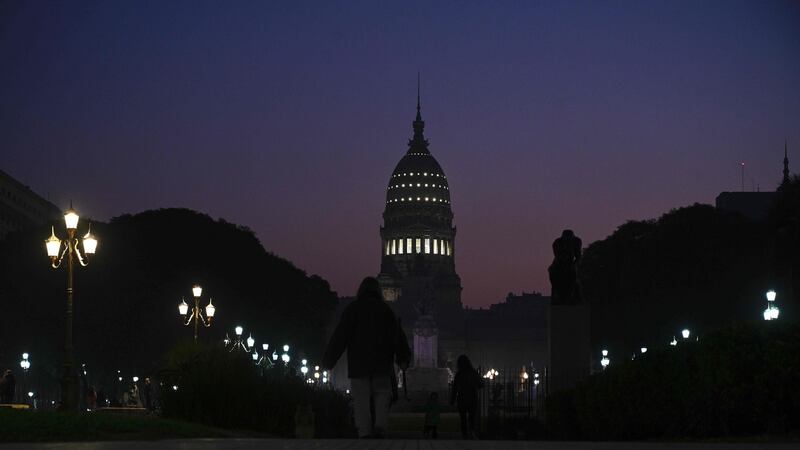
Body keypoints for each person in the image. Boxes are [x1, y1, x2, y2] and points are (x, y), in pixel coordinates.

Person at [323, 276, 411, 438]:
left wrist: (329, 361)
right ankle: (380, 426)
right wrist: (403, 358)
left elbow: (340, 337)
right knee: (382, 395)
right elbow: (398, 337)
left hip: (359, 364)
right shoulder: (387, 311)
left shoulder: (353, 309)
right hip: (382, 363)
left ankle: (364, 432)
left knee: (361, 400)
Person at [450, 354, 482, 439]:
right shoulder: (473, 372)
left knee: (463, 417)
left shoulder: (459, 374)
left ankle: (464, 434)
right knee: (472, 416)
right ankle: (472, 431)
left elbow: (455, 388)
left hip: (462, 397)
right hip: (472, 396)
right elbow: (481, 384)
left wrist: (452, 400)